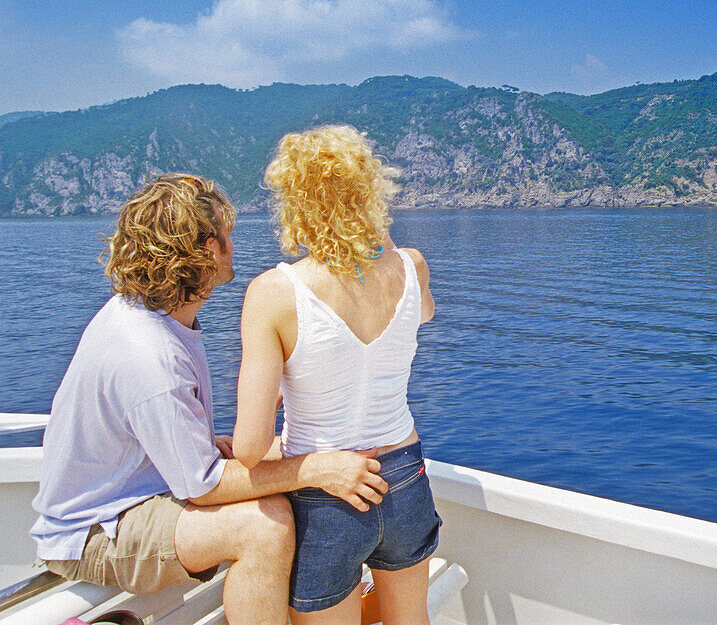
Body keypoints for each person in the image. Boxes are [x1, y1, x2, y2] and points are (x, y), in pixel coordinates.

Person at [31, 174, 390, 625]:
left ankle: (326, 603)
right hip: (96, 530)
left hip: (140, 492)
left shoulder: (156, 318)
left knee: (298, 452)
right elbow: (203, 488)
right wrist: (318, 470)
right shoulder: (150, 355)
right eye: (227, 234)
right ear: (205, 250)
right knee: (265, 525)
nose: (234, 244)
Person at [232, 125, 439, 625]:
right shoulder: (411, 267)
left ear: (294, 204)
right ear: (373, 191)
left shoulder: (274, 294)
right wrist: (375, 232)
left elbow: (249, 448)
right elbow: (425, 313)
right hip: (405, 478)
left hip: (327, 497)